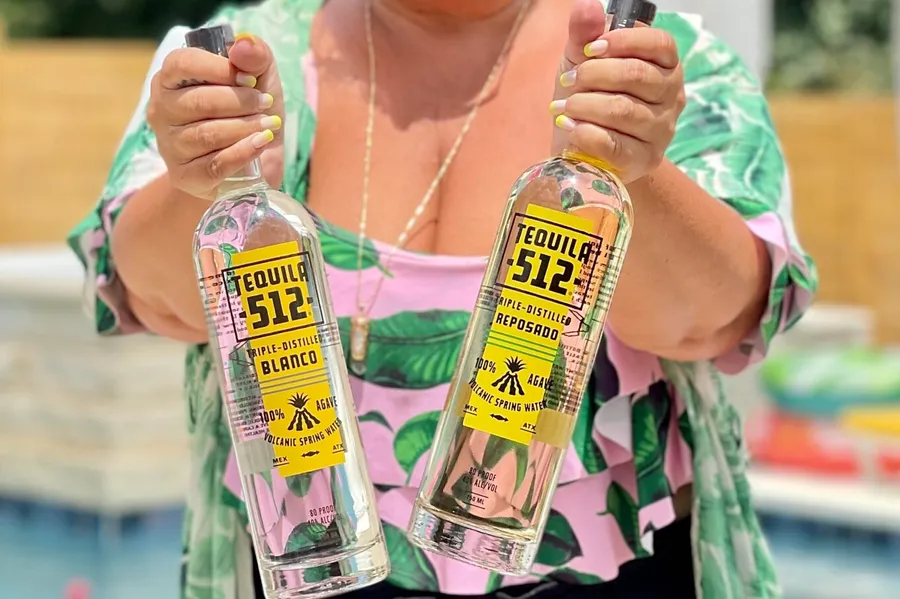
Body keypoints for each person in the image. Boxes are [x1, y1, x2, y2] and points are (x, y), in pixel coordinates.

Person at [67, 0, 817, 597]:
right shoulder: (234, 62)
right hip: (310, 568)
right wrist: (207, 178)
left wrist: (635, 164)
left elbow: (713, 321)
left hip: (609, 576)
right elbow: (161, 303)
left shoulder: (655, 65)